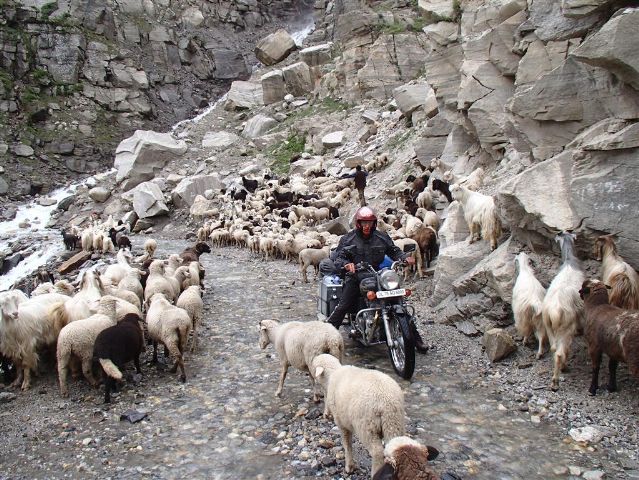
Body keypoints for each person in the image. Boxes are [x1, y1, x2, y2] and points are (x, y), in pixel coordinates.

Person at [326, 206, 429, 353]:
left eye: (369, 222)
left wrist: (404, 258)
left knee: (398, 300)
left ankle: (416, 340)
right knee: (343, 305)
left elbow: (394, 251)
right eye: (364, 223)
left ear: (374, 223)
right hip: (355, 276)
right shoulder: (348, 238)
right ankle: (327, 338)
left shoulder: (382, 237)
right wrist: (346, 264)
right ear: (358, 223)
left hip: (377, 274)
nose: (366, 226)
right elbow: (338, 257)